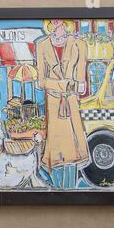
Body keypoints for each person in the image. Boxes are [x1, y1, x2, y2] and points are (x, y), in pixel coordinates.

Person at [36, 19, 89, 188]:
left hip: (70, 104)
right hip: (53, 103)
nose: (55, 20)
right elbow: (41, 82)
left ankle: (70, 192)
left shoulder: (79, 44)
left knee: (72, 153)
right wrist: (67, 85)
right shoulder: (42, 44)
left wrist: (72, 86)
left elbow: (81, 84)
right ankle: (58, 191)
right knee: (56, 154)